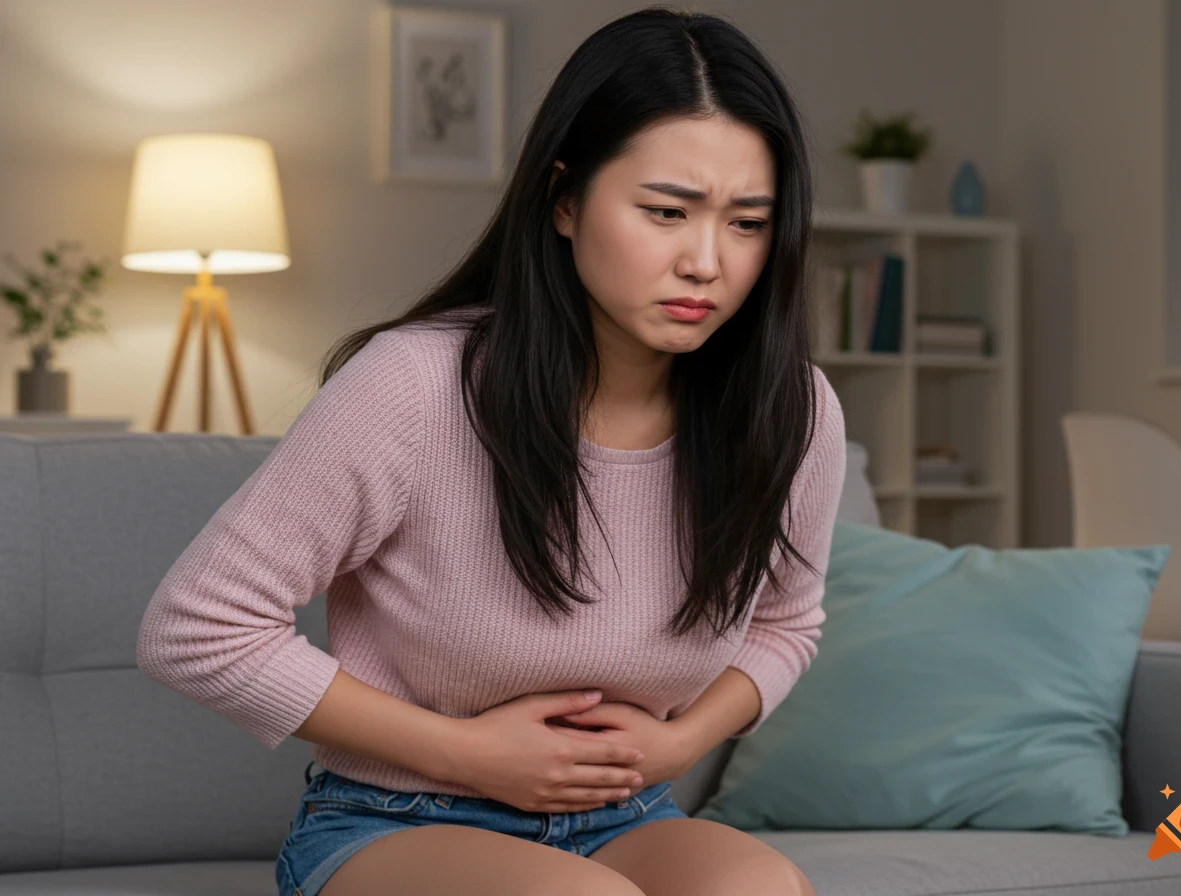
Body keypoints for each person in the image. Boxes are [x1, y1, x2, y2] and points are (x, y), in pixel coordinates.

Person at [136, 5, 845, 895]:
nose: (708, 260)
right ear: (563, 199)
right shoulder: (419, 386)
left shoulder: (793, 410)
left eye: (748, 223)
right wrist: (465, 752)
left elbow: (786, 621)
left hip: (627, 817)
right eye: (667, 211)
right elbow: (197, 627)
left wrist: (678, 741)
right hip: (396, 821)